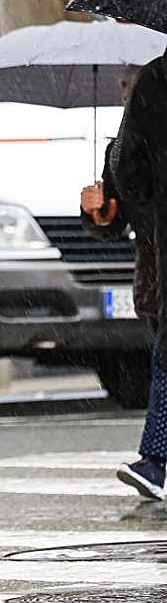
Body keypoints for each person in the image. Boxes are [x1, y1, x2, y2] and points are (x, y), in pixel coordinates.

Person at [108, 57, 167, 498]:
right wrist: (100, 211)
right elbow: (114, 204)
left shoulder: (158, 78)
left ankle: (157, 461)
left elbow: (132, 178)